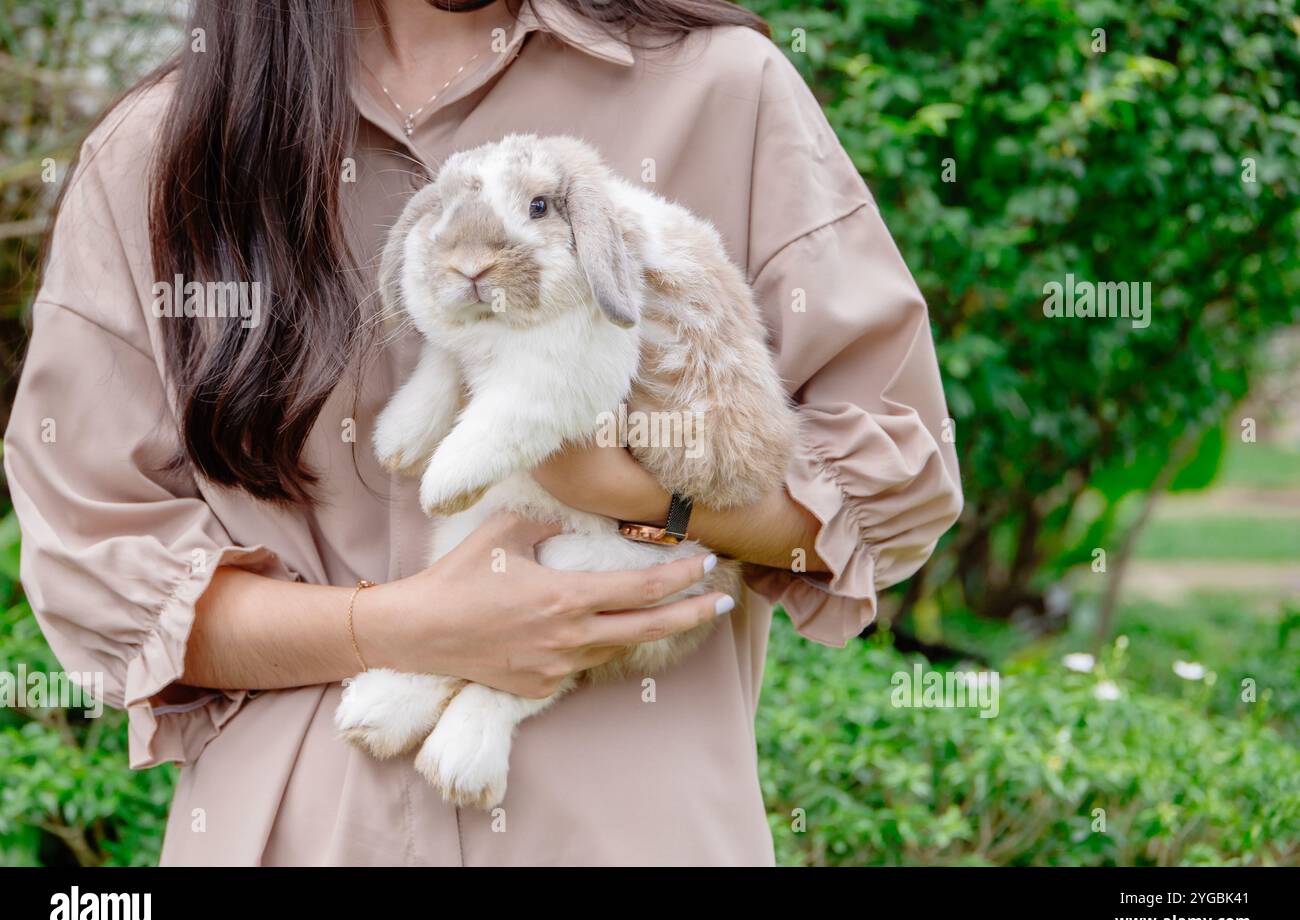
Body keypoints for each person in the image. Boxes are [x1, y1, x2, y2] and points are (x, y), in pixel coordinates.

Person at [4, 0, 962, 865]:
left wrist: (639, 494)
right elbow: (104, 569)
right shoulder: (159, 151)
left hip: (636, 836)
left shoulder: (722, 85)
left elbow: (890, 491)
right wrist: (399, 629)